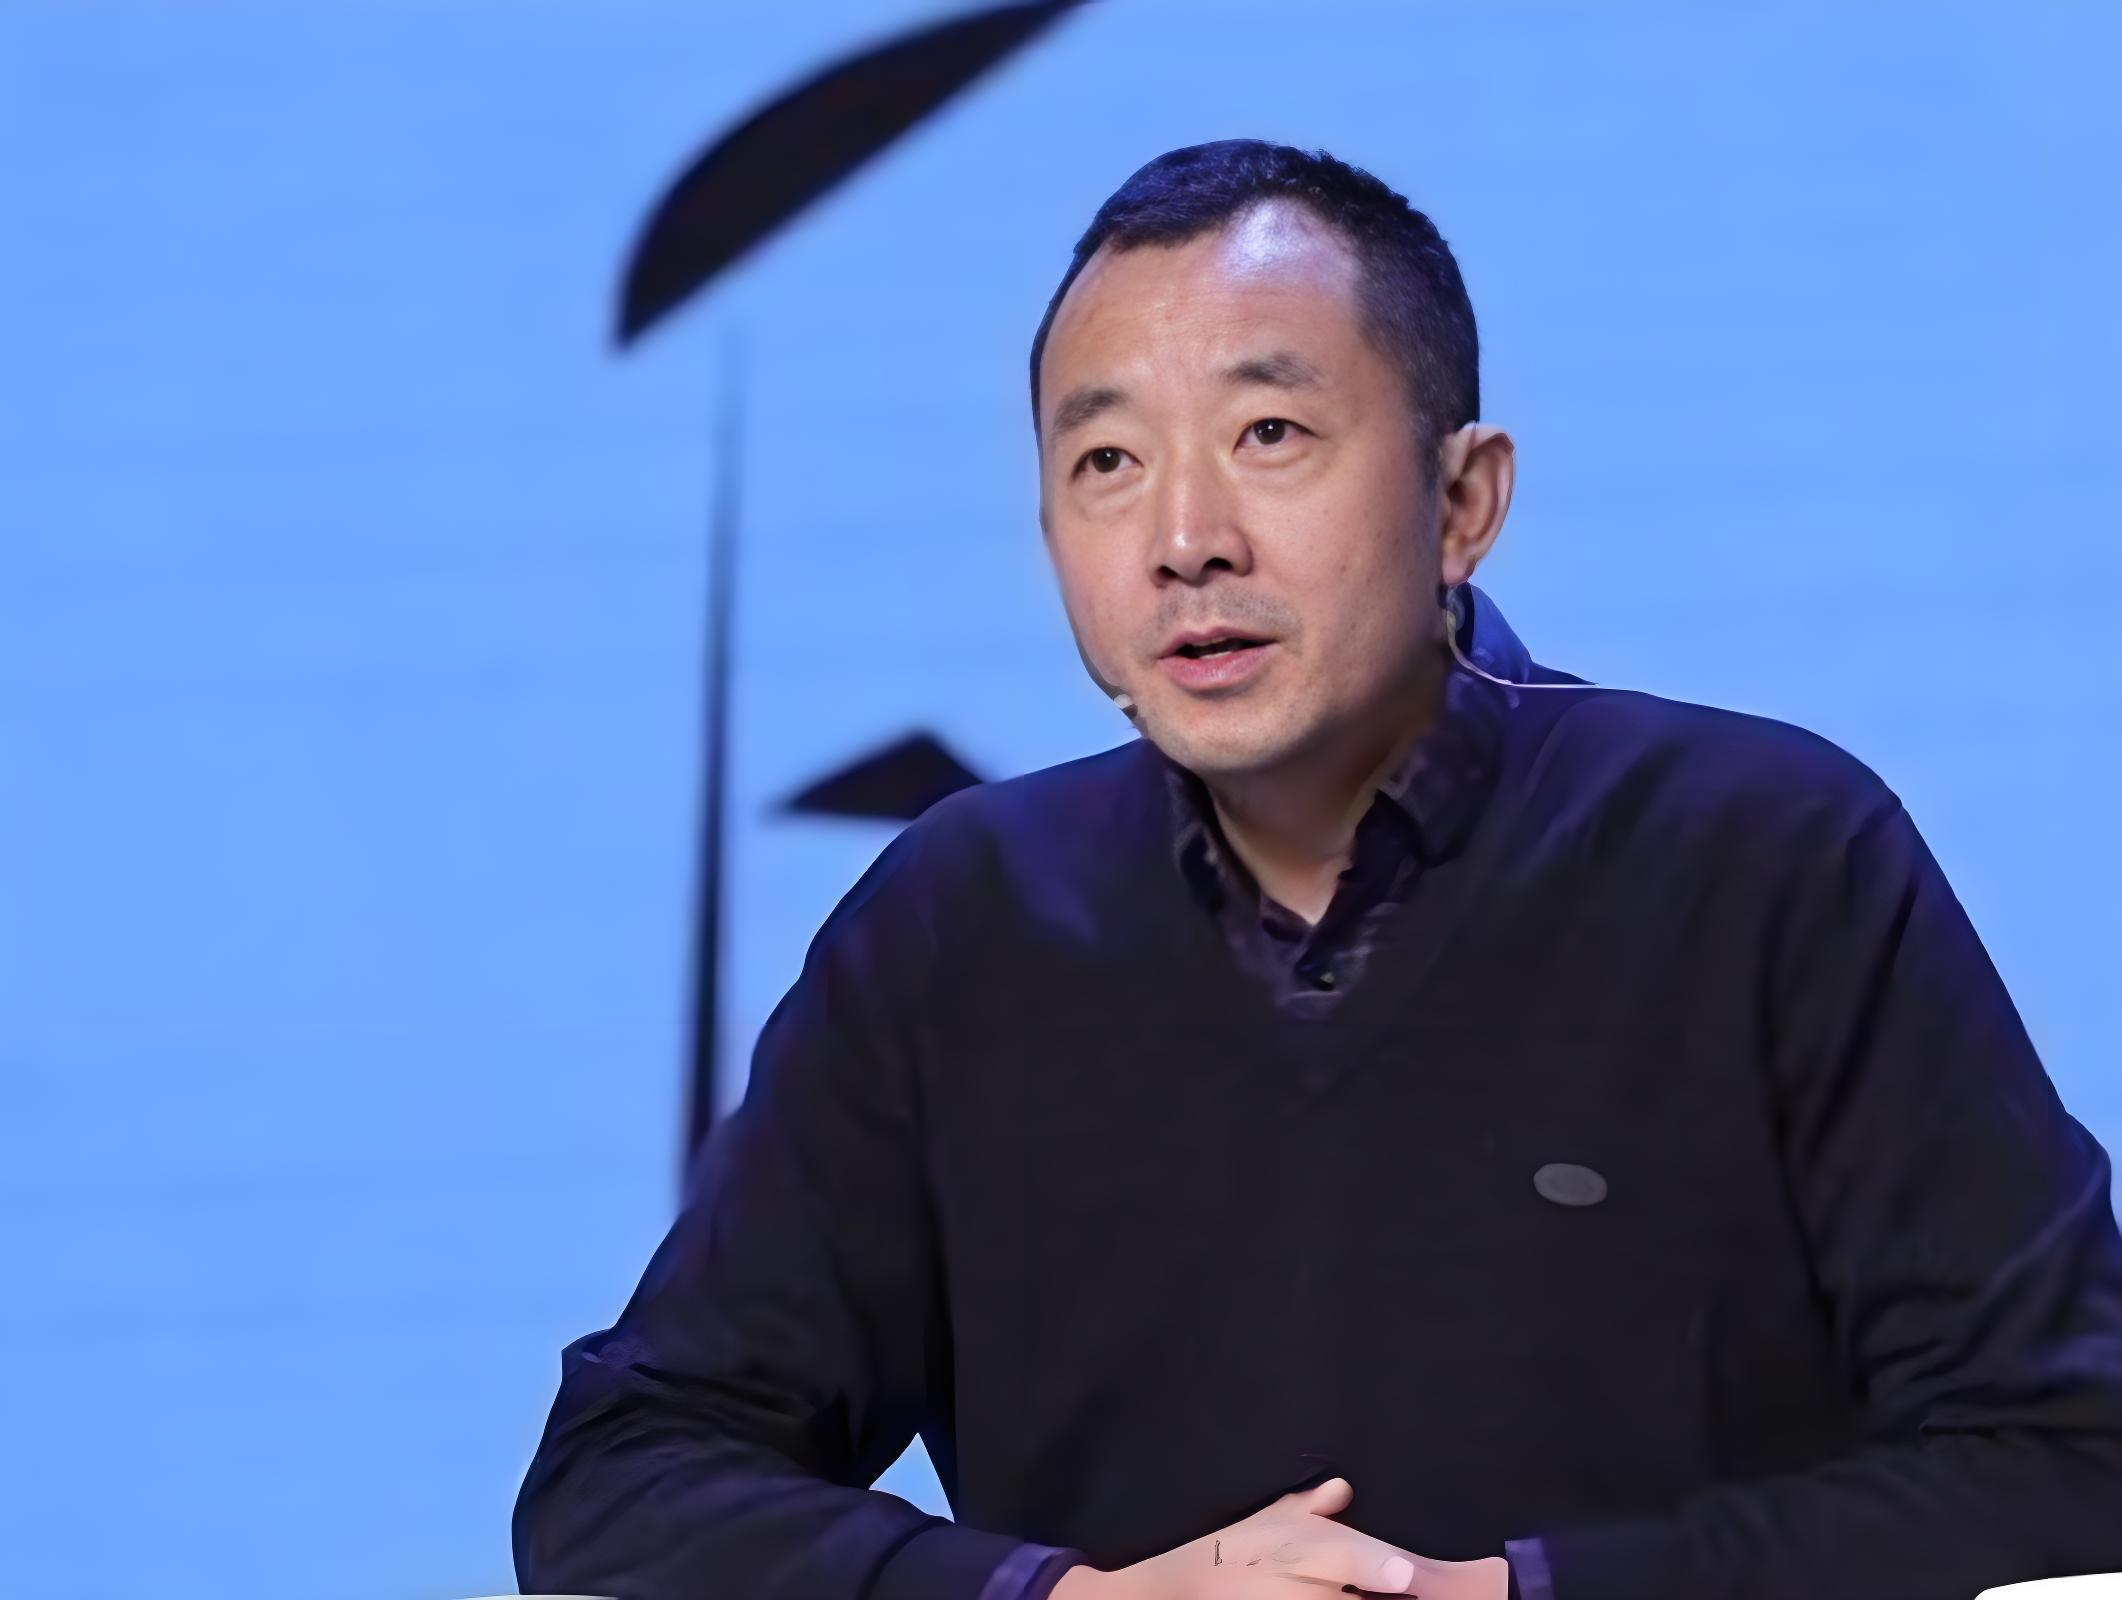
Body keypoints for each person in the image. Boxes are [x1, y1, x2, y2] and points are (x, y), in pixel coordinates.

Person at [512, 139, 2122, 1600]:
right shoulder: (957, 921)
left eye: (1268, 433)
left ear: (1462, 499)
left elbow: (2072, 1450)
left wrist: (1518, 1596)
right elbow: (623, 1477)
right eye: (1105, 463)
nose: (1183, 539)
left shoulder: (1760, 851)